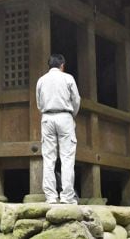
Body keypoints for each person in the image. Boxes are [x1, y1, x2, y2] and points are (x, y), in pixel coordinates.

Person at [36, 54, 81, 204]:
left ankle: (51, 197)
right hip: (64, 116)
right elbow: (76, 100)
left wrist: (46, 111)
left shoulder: (41, 80)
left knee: (48, 158)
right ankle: (67, 196)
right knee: (67, 158)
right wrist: (71, 114)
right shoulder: (68, 78)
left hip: (47, 117)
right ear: (62, 65)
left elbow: (39, 103)